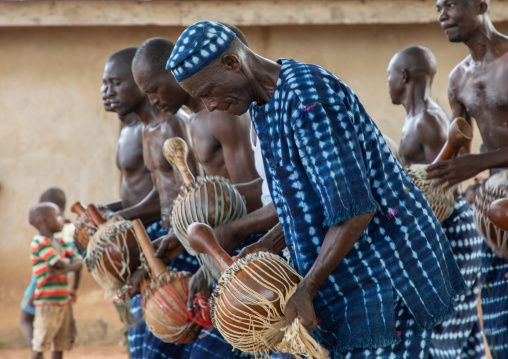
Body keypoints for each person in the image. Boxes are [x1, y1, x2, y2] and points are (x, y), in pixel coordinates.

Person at [165, 21, 469, 358]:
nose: (209, 106)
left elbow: (355, 209)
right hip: (349, 272)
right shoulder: (264, 105)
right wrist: (267, 244)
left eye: (208, 92)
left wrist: (306, 289)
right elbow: (309, 200)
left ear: (232, 63)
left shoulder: (309, 102)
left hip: (387, 272)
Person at [388, 45, 485, 358]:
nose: (387, 82)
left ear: (404, 76)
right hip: (443, 236)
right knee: (456, 339)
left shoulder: (427, 121)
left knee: (442, 341)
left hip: (451, 235)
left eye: (389, 75)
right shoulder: (415, 118)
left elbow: (442, 191)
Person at [431, 1, 508, 356]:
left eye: (450, 4)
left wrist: (475, 165)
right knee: (498, 324)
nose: (442, 13)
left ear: (481, 5)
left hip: (500, 198)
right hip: (492, 202)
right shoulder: (457, 79)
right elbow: (460, 150)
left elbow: (471, 161)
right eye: (437, 7)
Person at [20, 188, 82, 348]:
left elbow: (51, 268)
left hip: (46, 285)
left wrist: (34, 293)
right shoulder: (71, 230)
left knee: (26, 317)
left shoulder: (53, 236)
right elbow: (75, 263)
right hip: (63, 283)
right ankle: (36, 348)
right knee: (56, 338)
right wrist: (74, 287)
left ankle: (34, 348)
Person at [101, 71, 161, 226]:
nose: (107, 92)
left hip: (156, 227)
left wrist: (116, 219)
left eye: (116, 83)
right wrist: (105, 210)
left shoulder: (150, 129)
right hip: (137, 225)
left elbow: (166, 195)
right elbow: (135, 197)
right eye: (105, 83)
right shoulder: (127, 129)